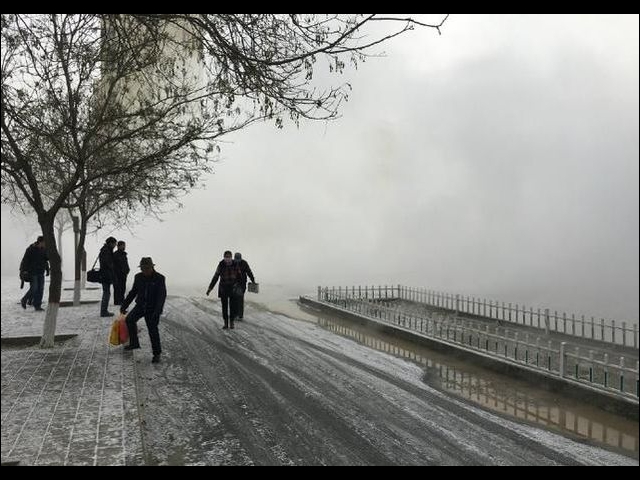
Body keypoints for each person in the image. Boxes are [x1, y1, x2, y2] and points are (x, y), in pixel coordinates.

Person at [120, 257, 167, 364]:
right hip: (140, 306)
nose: (144, 271)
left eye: (146, 269)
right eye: (142, 269)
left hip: (152, 309)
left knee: (153, 330)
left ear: (151, 267)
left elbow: (161, 296)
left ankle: (157, 353)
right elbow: (133, 292)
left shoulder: (160, 278)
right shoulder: (138, 277)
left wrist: (158, 311)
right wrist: (124, 305)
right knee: (129, 319)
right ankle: (134, 343)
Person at [206, 250, 243, 329]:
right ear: (224, 257)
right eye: (226, 257)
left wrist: (239, 286)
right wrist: (210, 288)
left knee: (233, 306)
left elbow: (239, 276)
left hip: (233, 288)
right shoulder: (221, 264)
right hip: (223, 288)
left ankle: (232, 322)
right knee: (224, 307)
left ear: (231, 257)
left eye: (229, 257)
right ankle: (226, 323)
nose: (227, 259)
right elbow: (215, 277)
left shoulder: (235, 264)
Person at [19, 236, 49, 311]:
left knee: (40, 289)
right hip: (32, 272)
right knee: (34, 288)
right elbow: (25, 260)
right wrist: (23, 271)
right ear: (41, 242)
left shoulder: (44, 250)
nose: (45, 244)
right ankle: (24, 299)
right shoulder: (30, 249)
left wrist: (47, 270)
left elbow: (46, 260)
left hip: (41, 272)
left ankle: (37, 305)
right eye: (45, 243)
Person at [233, 252, 255, 321]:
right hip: (233, 284)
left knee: (240, 299)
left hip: (242, 284)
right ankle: (236, 314)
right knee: (235, 299)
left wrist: (253, 280)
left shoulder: (244, 263)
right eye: (236, 259)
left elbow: (249, 272)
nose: (237, 261)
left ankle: (240, 315)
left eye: (238, 259)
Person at [99, 236, 117, 317]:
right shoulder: (106, 251)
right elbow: (108, 263)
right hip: (106, 275)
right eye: (114, 244)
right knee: (106, 293)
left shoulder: (106, 250)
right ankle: (104, 311)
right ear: (110, 243)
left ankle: (104, 311)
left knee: (106, 292)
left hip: (105, 274)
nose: (115, 245)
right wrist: (112, 267)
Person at [113, 240, 130, 306]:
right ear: (119, 246)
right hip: (118, 274)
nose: (124, 247)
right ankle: (118, 301)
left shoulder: (123, 254)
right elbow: (115, 265)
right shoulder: (116, 254)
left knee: (123, 287)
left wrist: (127, 270)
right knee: (118, 288)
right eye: (123, 245)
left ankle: (121, 300)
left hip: (123, 274)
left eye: (124, 245)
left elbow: (125, 263)